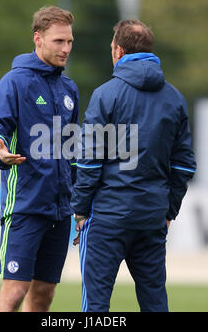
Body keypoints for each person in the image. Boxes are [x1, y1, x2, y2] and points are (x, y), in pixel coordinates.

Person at [71, 19, 196, 312]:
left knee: (96, 304)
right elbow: (184, 165)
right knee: (154, 301)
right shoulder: (175, 99)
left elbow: (89, 161)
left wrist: (80, 209)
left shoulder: (106, 94)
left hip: (107, 216)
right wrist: (168, 210)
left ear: (118, 51)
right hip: (151, 217)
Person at [0, 6, 79, 312]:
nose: (66, 49)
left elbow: (72, 151)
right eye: (58, 41)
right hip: (25, 206)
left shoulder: (69, 89)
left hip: (60, 211)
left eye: (70, 42)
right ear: (38, 39)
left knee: (44, 295)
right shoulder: (15, 83)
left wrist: (80, 200)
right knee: (14, 292)